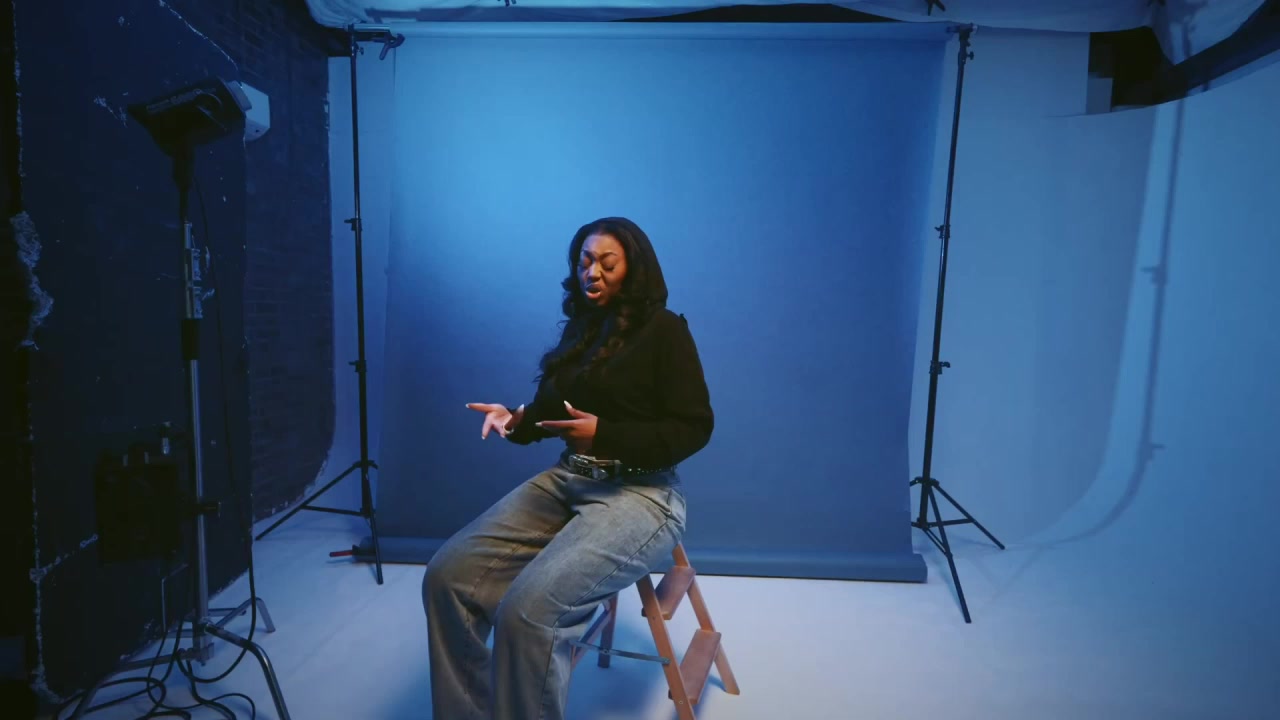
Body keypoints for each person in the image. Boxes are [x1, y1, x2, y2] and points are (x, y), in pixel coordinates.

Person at [422, 217, 714, 720]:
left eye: (607, 263)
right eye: (584, 262)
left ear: (633, 268)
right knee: (446, 577)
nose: (592, 273)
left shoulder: (665, 330)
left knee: (529, 611)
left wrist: (607, 435)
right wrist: (514, 419)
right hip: (569, 479)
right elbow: (550, 410)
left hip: (642, 494)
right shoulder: (583, 328)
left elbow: (695, 427)